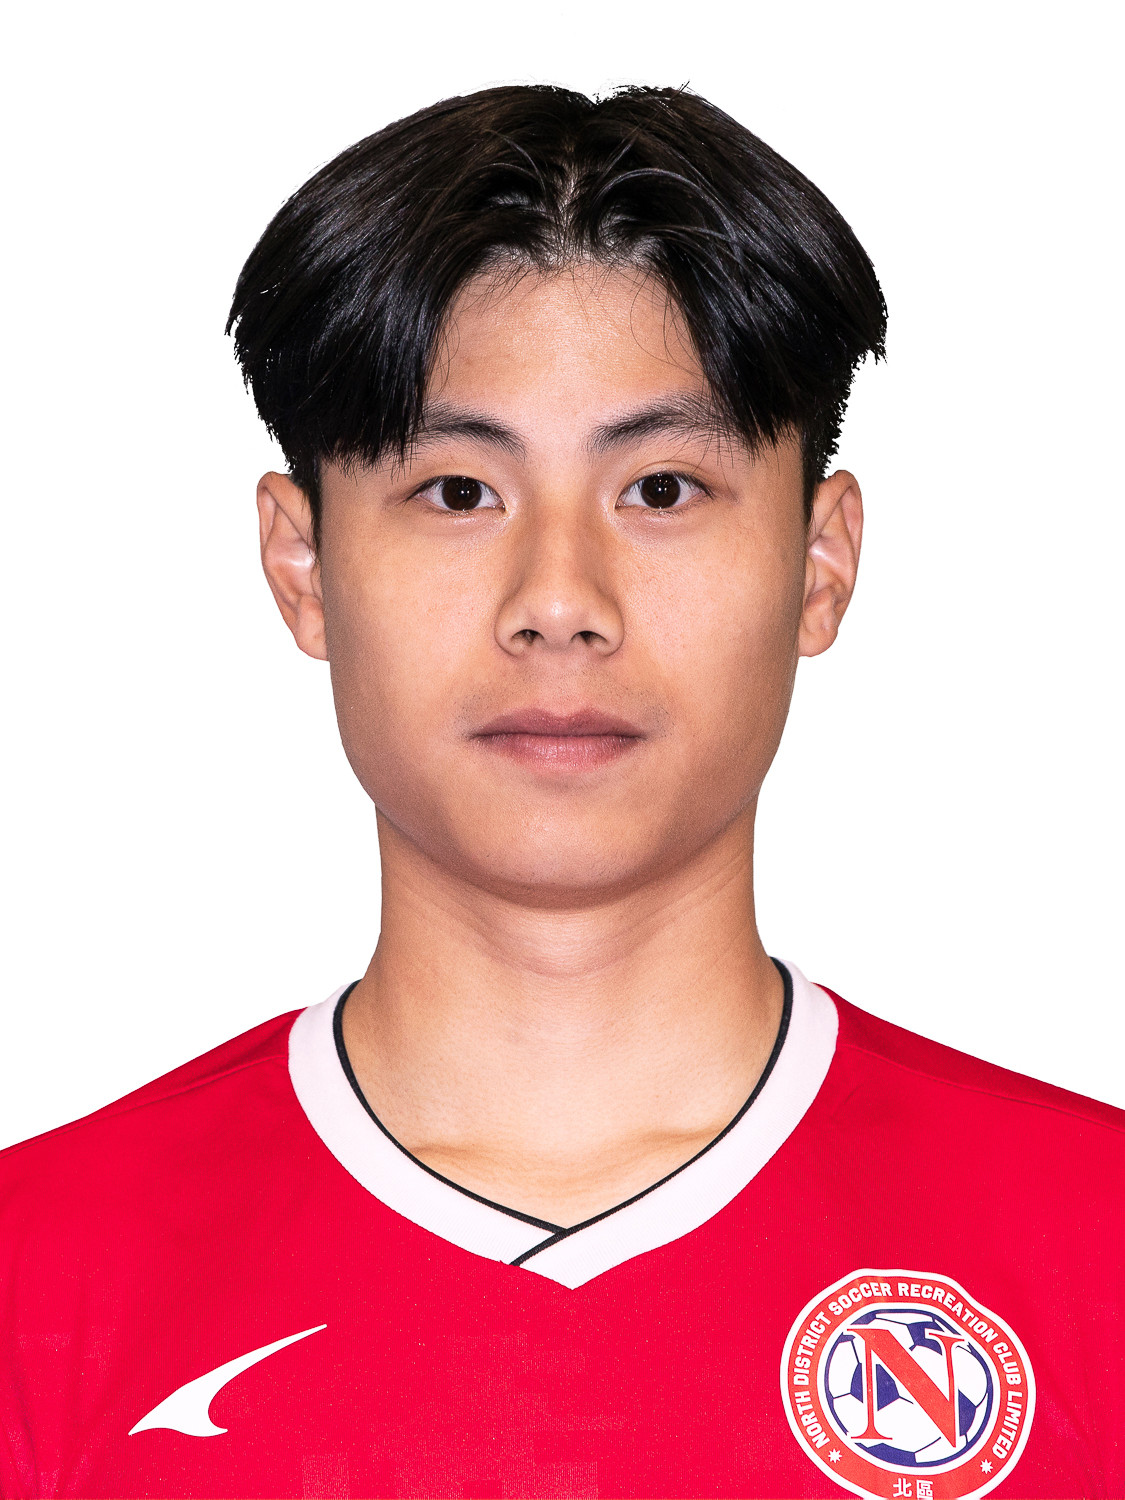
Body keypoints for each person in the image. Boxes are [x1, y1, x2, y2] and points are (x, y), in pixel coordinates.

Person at [0, 83, 1121, 1500]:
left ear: (820, 563)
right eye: (458, 493)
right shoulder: (37, 1285)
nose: (559, 602)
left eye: (661, 489)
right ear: (302, 567)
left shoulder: (1096, 1255)